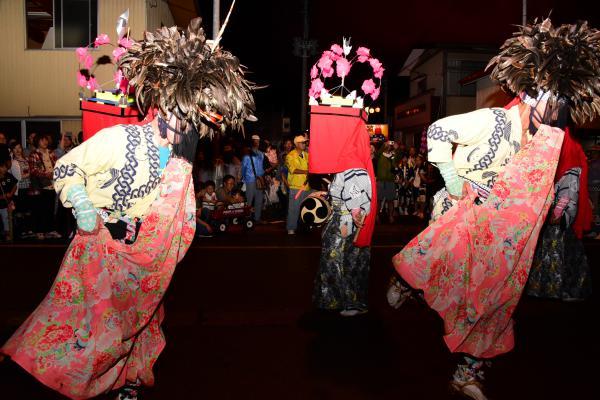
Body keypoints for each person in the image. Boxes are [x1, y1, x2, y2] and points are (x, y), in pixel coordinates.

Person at [1, 17, 255, 400]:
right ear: (166, 105)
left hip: (143, 261)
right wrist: (83, 205)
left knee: (137, 326)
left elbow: (179, 219)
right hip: (101, 246)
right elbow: (68, 166)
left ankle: (125, 382)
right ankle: (58, 377)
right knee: (93, 328)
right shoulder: (120, 138)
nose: (189, 127)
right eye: (184, 116)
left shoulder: (181, 163)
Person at [390, 19, 600, 399]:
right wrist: (454, 184)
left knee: (498, 299)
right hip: (462, 217)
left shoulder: (547, 140)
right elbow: (436, 131)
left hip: (502, 233)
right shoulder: (494, 120)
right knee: (446, 279)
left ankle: (467, 373)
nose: (554, 118)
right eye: (551, 108)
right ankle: (411, 282)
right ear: (533, 98)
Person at [309, 105, 377, 317]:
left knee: (340, 261)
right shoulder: (348, 163)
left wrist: (356, 214)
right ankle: (341, 301)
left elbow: (356, 198)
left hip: (344, 223)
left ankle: (351, 302)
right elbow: (346, 191)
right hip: (342, 220)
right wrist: (329, 195)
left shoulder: (352, 165)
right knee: (339, 261)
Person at [526, 128, 593, 301]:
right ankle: (545, 289)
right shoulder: (564, 163)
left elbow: (567, 196)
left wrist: (553, 215)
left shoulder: (570, 168)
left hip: (559, 225)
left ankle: (555, 290)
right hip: (552, 222)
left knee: (558, 254)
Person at [28, 133, 61, 239]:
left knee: (50, 209)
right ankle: (39, 231)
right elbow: (33, 170)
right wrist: (46, 174)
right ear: (37, 142)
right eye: (42, 140)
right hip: (40, 186)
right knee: (40, 209)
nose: (45, 142)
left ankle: (50, 230)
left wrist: (55, 173)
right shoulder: (34, 154)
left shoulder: (51, 152)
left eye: (46, 140)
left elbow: (57, 164)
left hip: (52, 184)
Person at [285, 134, 310, 234]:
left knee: (305, 208)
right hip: (296, 187)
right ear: (297, 144)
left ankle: (305, 226)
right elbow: (293, 169)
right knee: (293, 209)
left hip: (306, 186)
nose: (305, 144)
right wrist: (306, 172)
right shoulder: (290, 156)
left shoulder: (307, 155)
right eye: (303, 142)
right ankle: (291, 228)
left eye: (305, 142)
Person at [9, 142, 34, 238]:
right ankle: (21, 231)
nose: (18, 150)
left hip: (28, 188)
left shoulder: (26, 159)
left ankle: (28, 229)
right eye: (15, 148)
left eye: (19, 148)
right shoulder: (13, 162)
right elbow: (19, 177)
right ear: (12, 150)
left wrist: (29, 174)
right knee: (20, 211)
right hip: (19, 190)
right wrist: (30, 173)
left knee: (28, 210)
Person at [241, 134, 265, 223]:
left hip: (258, 180)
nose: (257, 143)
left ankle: (256, 218)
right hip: (250, 180)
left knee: (258, 200)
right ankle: (248, 218)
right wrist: (244, 180)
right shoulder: (247, 155)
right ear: (252, 142)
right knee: (249, 201)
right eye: (256, 141)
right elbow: (243, 169)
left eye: (258, 141)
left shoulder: (261, 154)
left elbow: (261, 168)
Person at [375, 141, 398, 223]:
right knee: (378, 201)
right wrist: (383, 145)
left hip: (390, 181)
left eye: (390, 145)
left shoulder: (393, 156)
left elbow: (399, 157)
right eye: (387, 145)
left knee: (390, 200)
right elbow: (377, 153)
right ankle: (376, 215)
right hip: (380, 181)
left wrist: (397, 148)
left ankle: (390, 216)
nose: (389, 146)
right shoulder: (380, 155)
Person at [0, 160, 17, 242]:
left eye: (5, 167)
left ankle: (8, 234)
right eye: (2, 167)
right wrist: (2, 196)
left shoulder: (9, 176)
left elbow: (15, 186)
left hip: (6, 203)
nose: (4, 169)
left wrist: (11, 193)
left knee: (6, 218)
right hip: (1, 201)